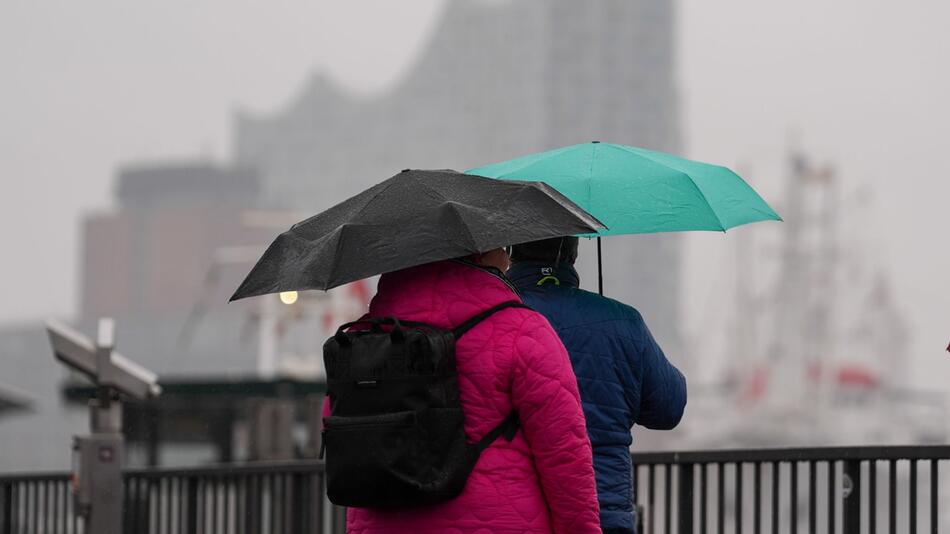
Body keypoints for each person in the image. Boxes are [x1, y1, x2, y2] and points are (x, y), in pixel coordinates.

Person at [337, 248, 601, 534]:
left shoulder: (362, 339)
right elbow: (564, 453)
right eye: (501, 246)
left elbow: (340, 428)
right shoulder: (522, 329)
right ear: (480, 255)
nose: (506, 255)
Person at [508, 237, 687, 534]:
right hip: (604, 510)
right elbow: (670, 408)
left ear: (512, 251)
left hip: (520, 511)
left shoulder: (497, 317)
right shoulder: (623, 321)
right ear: (573, 254)